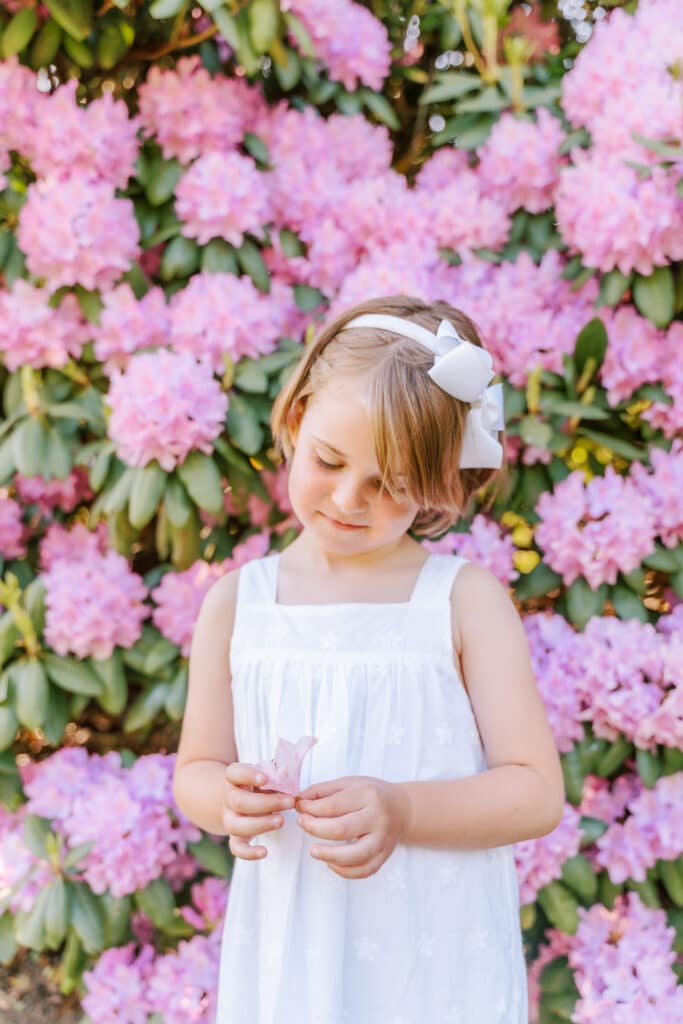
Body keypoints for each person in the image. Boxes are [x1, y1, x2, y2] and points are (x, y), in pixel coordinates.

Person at [173, 294, 566, 1024]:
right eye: (328, 459)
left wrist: (402, 808)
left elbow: (535, 792)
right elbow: (196, 770)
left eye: (388, 484)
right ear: (295, 420)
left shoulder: (461, 602)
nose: (348, 499)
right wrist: (229, 798)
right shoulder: (238, 604)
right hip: (293, 950)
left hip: (435, 952)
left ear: (438, 477)